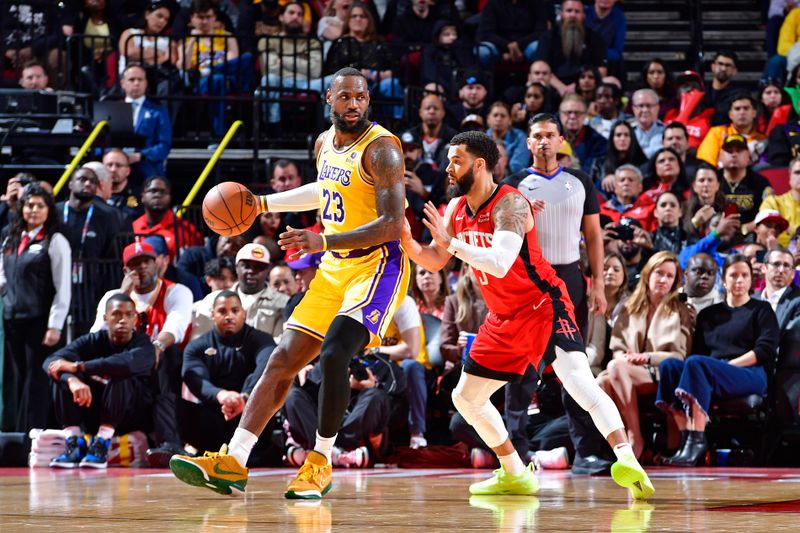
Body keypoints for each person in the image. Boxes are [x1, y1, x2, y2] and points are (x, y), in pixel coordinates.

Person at [169, 68, 409, 499]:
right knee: (282, 360)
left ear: (368, 100)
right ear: (328, 100)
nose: (353, 104)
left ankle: (320, 462)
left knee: (335, 353)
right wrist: (262, 202)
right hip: (334, 267)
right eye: (344, 97)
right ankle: (233, 461)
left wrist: (323, 239)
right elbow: (322, 190)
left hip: (377, 267)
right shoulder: (323, 143)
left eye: (360, 97)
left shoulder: (383, 149)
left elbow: (392, 225)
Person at [399, 130, 652, 498]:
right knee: (465, 398)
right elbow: (436, 260)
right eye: (449, 161)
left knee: (579, 382)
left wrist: (452, 242)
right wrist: (409, 244)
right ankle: (515, 471)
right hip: (504, 315)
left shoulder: (511, 204)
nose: (448, 168)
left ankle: (626, 458)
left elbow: (501, 263)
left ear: (480, 165)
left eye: (457, 161)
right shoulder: (455, 209)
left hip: (543, 303)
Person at [505, 113, 611, 473]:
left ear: (562, 140)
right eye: (537, 136)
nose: (545, 141)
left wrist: (597, 283)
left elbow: (594, 236)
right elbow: (501, 239)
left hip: (570, 278)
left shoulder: (580, 181)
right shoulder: (512, 185)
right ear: (528, 142)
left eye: (551, 134)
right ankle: (515, 455)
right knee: (522, 369)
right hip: (530, 279)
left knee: (575, 367)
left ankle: (586, 453)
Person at [657, 254, 779, 466]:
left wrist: (726, 367)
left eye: (744, 275)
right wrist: (714, 368)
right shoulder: (708, 315)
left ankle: (697, 441)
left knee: (697, 364)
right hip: (710, 371)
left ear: (751, 280)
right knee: (670, 366)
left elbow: (765, 350)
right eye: (733, 275)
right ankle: (686, 439)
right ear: (724, 279)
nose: (739, 280)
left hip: (748, 372)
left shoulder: (761, 310)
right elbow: (699, 352)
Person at [91, 241, 193, 466]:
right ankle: (86, 438)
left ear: (156, 263)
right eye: (135, 264)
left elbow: (175, 327)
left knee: (169, 354)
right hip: (125, 378)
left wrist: (156, 347)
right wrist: (122, 295)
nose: (142, 268)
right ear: (126, 271)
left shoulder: (176, 291)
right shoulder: (112, 298)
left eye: (146, 261)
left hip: (158, 376)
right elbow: (95, 339)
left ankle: (170, 443)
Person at [597, 251, 693, 458]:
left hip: (662, 373)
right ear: (648, 274)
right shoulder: (629, 307)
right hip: (627, 372)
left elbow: (679, 357)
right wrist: (626, 359)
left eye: (670, 276)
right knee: (601, 382)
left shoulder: (680, 310)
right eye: (660, 273)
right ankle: (620, 446)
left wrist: (647, 357)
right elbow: (618, 350)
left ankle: (634, 437)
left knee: (614, 369)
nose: (663, 280)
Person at [44, 293, 155, 468]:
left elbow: (126, 364)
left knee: (120, 374)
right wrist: (72, 379)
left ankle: (101, 445)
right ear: (106, 318)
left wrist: (80, 367)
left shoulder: (144, 344)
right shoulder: (93, 340)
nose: (122, 320)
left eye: (128, 315)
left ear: (135, 319)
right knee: (61, 376)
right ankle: (74, 444)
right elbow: (51, 362)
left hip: (130, 416)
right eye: (117, 314)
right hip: (95, 413)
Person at [0, 183, 71, 433]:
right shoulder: (11, 237)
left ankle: (33, 435)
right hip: (12, 319)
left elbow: (63, 287)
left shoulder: (55, 240)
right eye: (29, 205)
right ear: (21, 208)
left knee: (35, 381)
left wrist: (55, 325)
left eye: (40, 206)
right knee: (18, 379)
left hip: (39, 321)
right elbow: (3, 278)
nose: (34, 210)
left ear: (49, 210)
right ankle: (15, 435)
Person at [180, 291, 276, 458]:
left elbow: (266, 369)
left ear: (244, 313)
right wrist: (222, 396)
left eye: (235, 310)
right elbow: (195, 378)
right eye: (222, 311)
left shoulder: (263, 340)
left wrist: (244, 398)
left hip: (251, 419)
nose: (229, 316)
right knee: (170, 401)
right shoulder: (196, 347)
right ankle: (174, 446)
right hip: (212, 419)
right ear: (212, 315)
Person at [192, 242, 289, 340]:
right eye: (246, 266)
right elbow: (199, 341)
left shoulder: (283, 302)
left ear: (267, 270)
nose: (251, 271)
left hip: (265, 354)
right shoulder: (214, 300)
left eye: (258, 267)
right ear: (236, 267)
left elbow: (280, 345)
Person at [754, 247, 800, 424]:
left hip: (785, 370)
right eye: (776, 264)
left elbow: (789, 339)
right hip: (754, 366)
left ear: (792, 273)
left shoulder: (797, 300)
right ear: (764, 268)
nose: (781, 270)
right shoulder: (752, 300)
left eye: (787, 266)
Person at [259, 1, 324, 124]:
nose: (296, 17)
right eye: (291, 13)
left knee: (336, 81)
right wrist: (302, 62)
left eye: (300, 14)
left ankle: (332, 129)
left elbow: (315, 71)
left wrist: (283, 61)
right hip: (281, 83)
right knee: (269, 79)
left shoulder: (312, 42)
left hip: (308, 84)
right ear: (281, 17)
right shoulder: (268, 41)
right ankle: (273, 128)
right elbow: (271, 69)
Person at [119, 64, 173, 183]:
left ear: (146, 83)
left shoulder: (158, 111)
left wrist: (140, 156)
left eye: (140, 79)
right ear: (123, 83)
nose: (136, 83)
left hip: (146, 166)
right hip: (117, 165)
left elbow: (164, 145)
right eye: (132, 79)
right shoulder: (113, 109)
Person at [131, 176, 204, 260]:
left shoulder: (186, 229)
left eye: (163, 192)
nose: (157, 195)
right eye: (153, 191)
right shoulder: (132, 227)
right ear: (142, 196)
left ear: (170, 197)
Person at [586, 252, 629, 376]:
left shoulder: (631, 305)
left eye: (616, 269)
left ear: (624, 276)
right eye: (605, 268)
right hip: (593, 364)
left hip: (618, 362)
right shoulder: (587, 302)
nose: (610, 272)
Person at [697, 93, 768, 167]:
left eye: (746, 108)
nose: (742, 112)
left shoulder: (763, 139)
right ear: (730, 114)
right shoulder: (717, 133)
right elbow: (706, 164)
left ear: (754, 113)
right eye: (737, 109)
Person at [475, 0, 552, 67]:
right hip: (499, 47)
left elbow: (541, 31)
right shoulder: (493, 3)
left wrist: (518, 45)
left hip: (526, 45)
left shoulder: (536, 3)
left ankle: (536, 79)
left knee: (538, 48)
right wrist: (507, 46)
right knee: (482, 51)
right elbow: (486, 33)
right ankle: (486, 81)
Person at [718, 134, 773, 227]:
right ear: (720, 156)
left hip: (751, 235)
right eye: (729, 151)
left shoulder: (760, 182)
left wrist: (749, 228)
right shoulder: (712, 179)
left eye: (739, 151)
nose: (734, 155)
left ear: (748, 155)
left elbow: (768, 213)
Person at [592, 120, 648, 195]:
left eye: (626, 135)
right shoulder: (599, 164)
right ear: (612, 139)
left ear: (632, 139)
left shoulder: (643, 163)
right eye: (618, 135)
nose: (622, 138)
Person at [759, 155, 800, 246]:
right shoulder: (772, 202)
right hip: (777, 254)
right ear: (789, 177)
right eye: (797, 172)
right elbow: (765, 234)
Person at [103, 148, 144, 224]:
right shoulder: (94, 195)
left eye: (118, 165)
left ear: (128, 171)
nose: (113, 169)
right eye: (109, 165)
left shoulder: (141, 196)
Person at [630, 89, 666, 158]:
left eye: (649, 106)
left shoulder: (667, 132)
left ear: (657, 108)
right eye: (641, 106)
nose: (645, 110)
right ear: (633, 109)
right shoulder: (626, 132)